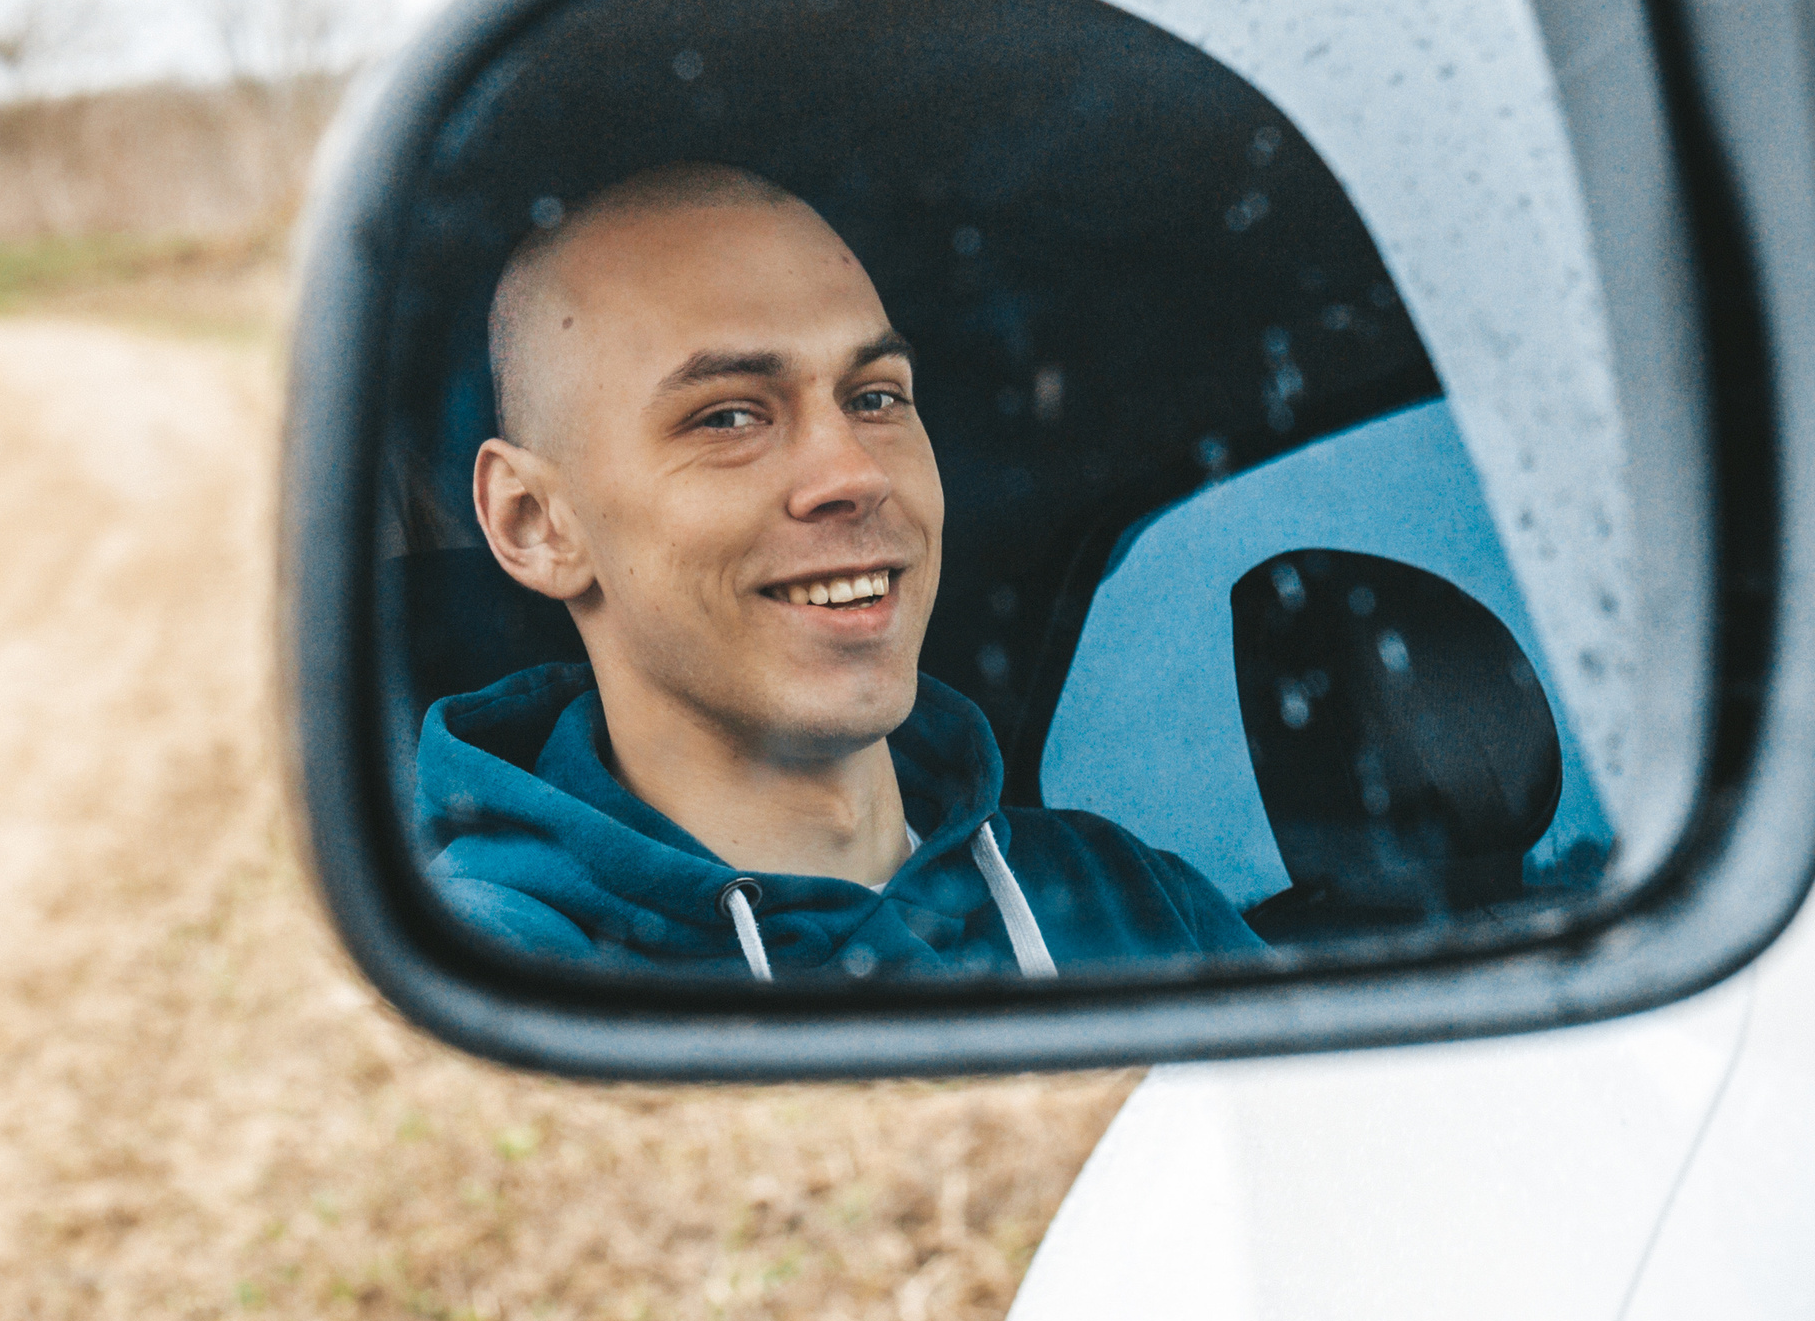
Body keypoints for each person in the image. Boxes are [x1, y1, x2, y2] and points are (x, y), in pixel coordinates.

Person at [416, 162, 1263, 979]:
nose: (856, 474)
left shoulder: (1139, 907)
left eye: (875, 398)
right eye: (729, 416)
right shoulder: (495, 974)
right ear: (535, 523)